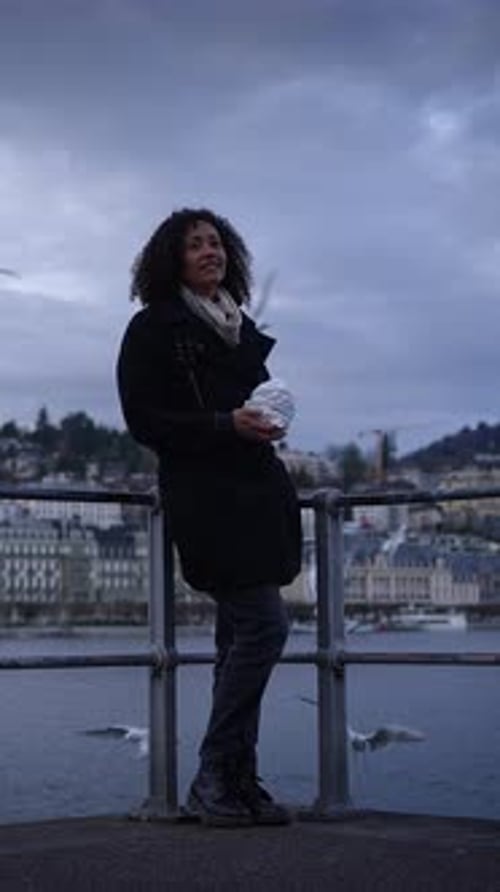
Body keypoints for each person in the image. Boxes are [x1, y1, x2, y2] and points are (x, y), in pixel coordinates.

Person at [117, 208, 302, 827]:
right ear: (172, 258)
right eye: (195, 244)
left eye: (216, 242)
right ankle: (213, 775)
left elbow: (252, 404)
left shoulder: (239, 326)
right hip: (206, 500)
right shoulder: (151, 330)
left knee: (236, 642)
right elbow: (145, 422)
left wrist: (269, 414)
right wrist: (227, 424)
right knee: (264, 628)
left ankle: (237, 783)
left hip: (255, 498)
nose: (209, 251)